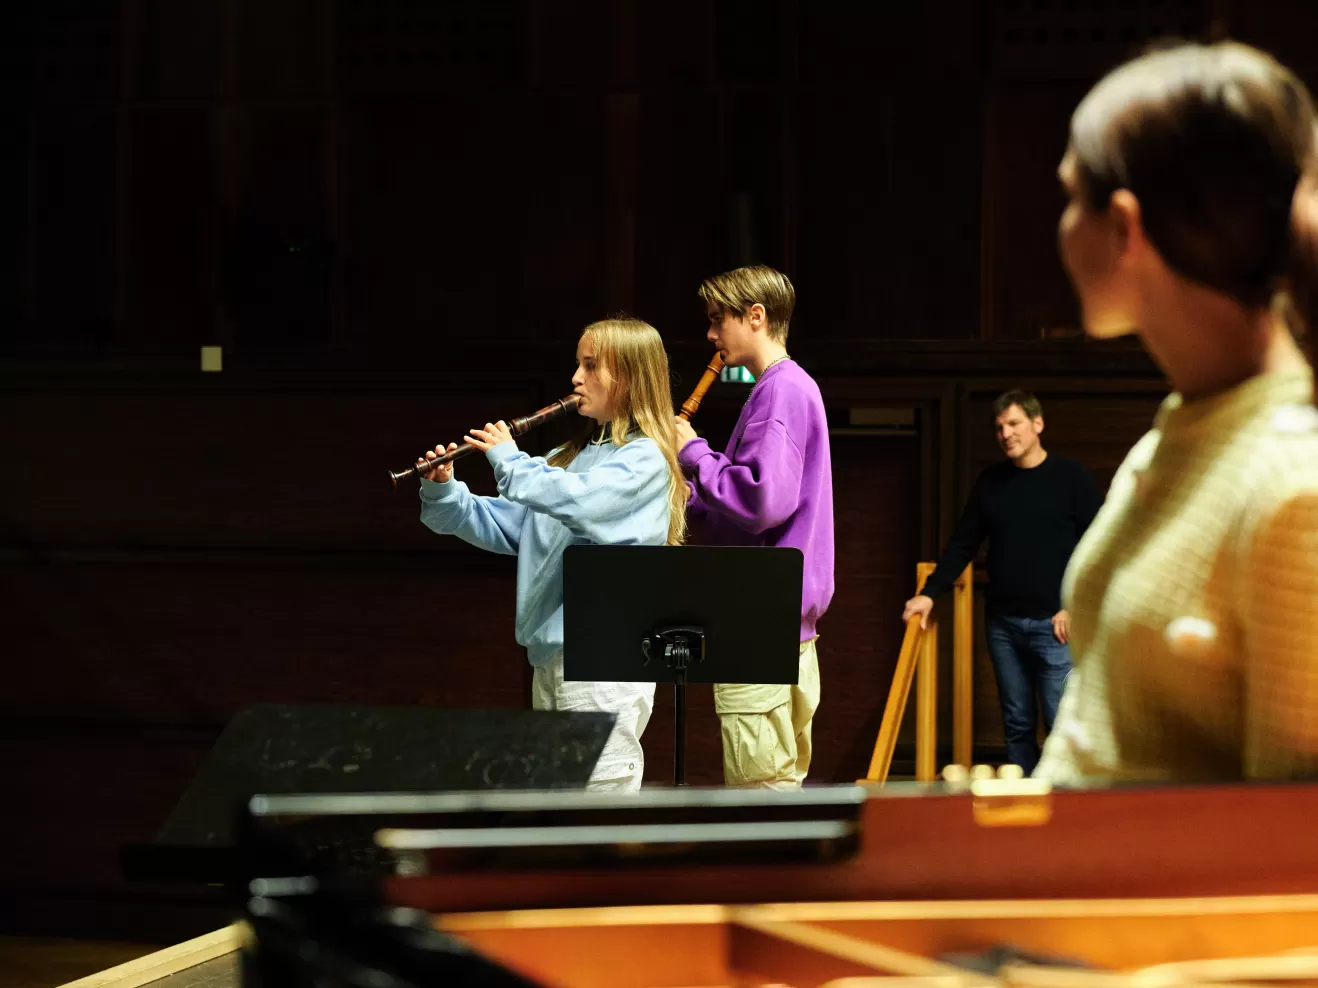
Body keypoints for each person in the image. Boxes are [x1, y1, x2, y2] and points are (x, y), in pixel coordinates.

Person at [1035, 41, 1318, 784]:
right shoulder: (1191, 418)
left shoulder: (1297, 487)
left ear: (1125, 228)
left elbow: (1290, 864)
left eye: (1071, 197)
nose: (1060, 226)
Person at [417, 317, 687, 792]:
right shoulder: (570, 456)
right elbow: (512, 525)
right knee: (563, 809)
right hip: (555, 658)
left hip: (604, 662)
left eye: (590, 366)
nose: (575, 378)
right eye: (577, 364)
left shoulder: (644, 458)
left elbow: (582, 503)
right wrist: (446, 492)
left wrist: (509, 458)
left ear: (625, 377)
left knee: (598, 812)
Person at [674, 265, 834, 789]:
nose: (712, 334)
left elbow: (762, 500)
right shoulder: (792, 386)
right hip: (784, 619)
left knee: (759, 791)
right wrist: (692, 496)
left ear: (757, 317)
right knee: (779, 783)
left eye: (719, 320)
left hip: (759, 617)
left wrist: (692, 451)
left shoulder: (780, 390)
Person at [902, 391, 1102, 775]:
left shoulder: (1071, 478)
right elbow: (963, 544)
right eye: (999, 427)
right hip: (1004, 626)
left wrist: (1075, 605)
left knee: (1061, 723)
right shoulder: (991, 482)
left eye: (1014, 424)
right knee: (1017, 724)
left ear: (1037, 424)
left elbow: (1100, 545)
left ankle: (1067, 809)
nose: (1005, 433)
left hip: (1056, 626)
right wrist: (929, 595)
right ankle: (1023, 808)